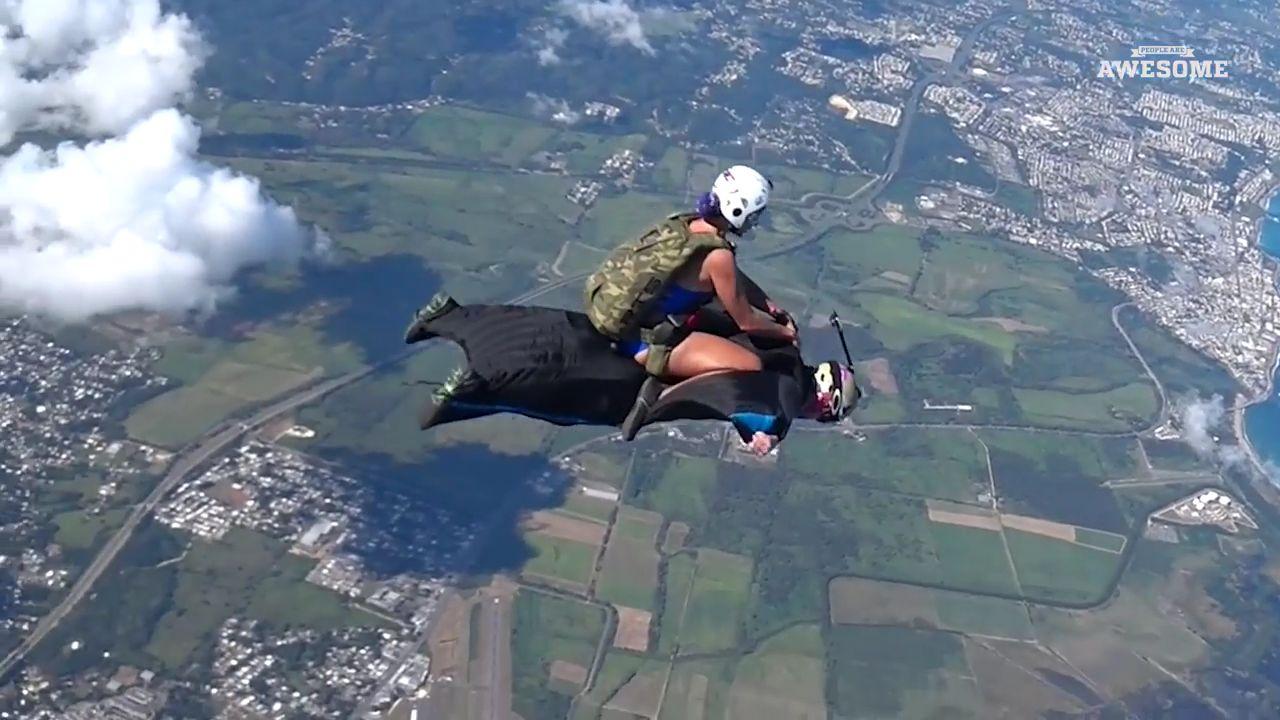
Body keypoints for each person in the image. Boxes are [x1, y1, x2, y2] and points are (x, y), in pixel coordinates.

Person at [402, 294, 860, 455]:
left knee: (557, 333)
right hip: (639, 386)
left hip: (644, 337)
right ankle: (469, 389)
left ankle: (451, 318)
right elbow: (757, 403)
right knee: (562, 393)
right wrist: (763, 435)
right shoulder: (784, 393)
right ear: (825, 400)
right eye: (824, 415)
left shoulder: (781, 346)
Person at [582, 164, 799, 436]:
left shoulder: (689, 226)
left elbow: (732, 277)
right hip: (647, 342)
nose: (754, 222)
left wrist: (767, 304)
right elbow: (747, 322)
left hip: (630, 322)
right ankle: (660, 396)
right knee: (750, 366)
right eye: (753, 214)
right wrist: (785, 332)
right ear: (738, 210)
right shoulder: (719, 257)